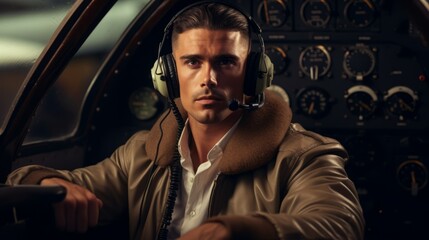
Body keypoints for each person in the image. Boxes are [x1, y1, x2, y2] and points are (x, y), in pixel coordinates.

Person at [6, 2, 365, 240]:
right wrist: (49, 181)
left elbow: (338, 223)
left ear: (255, 75)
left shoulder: (304, 155)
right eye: (193, 62)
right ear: (169, 75)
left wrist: (238, 231)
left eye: (226, 62)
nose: (208, 78)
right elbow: (56, 183)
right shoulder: (140, 155)